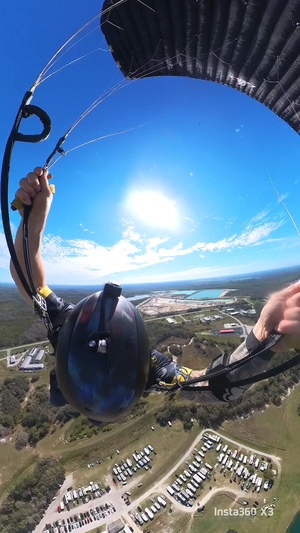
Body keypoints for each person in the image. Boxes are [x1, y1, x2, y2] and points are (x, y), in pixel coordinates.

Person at [10, 167, 300, 422]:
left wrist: (33, 218)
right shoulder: (141, 365)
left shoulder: (72, 332)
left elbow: (26, 279)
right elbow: (213, 387)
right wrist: (264, 338)